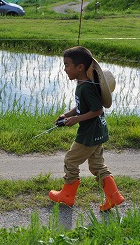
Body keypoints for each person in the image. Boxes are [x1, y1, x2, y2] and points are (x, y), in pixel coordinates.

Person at [49, 46, 124, 211]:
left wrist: (76, 119)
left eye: (67, 65)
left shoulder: (86, 87)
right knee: (97, 166)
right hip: (98, 132)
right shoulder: (83, 84)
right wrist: (66, 114)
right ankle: (114, 196)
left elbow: (97, 110)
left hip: (88, 135)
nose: (64, 69)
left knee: (70, 160)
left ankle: (67, 195)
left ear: (80, 67)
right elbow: (82, 107)